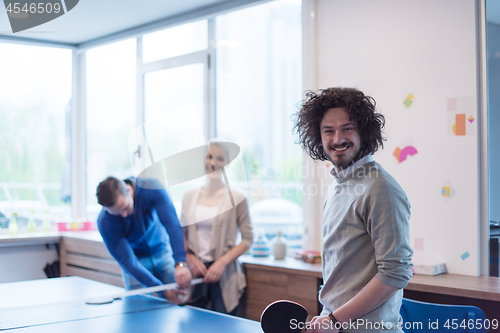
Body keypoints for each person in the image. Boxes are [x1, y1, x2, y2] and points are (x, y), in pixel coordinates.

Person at [293, 88, 413, 333]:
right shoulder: (338, 184)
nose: (338, 139)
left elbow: (396, 272)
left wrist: (335, 320)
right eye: (328, 130)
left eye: (347, 128)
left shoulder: (380, 189)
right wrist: (330, 318)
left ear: (364, 132)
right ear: (318, 137)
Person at [181, 141, 253, 315]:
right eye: (209, 156)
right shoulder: (188, 196)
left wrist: (220, 263)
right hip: (196, 274)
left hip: (225, 276)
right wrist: (190, 258)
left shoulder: (238, 197)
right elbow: (181, 232)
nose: (212, 163)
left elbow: (248, 239)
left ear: (227, 162)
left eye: (219, 158)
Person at [96, 176, 191, 302]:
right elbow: (128, 262)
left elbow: (171, 223)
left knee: (179, 301)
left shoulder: (151, 188)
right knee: (139, 309)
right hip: (137, 263)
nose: (123, 215)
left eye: (125, 208)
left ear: (129, 191)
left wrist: (180, 262)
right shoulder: (105, 222)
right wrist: (162, 291)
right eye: (117, 214)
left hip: (163, 253)